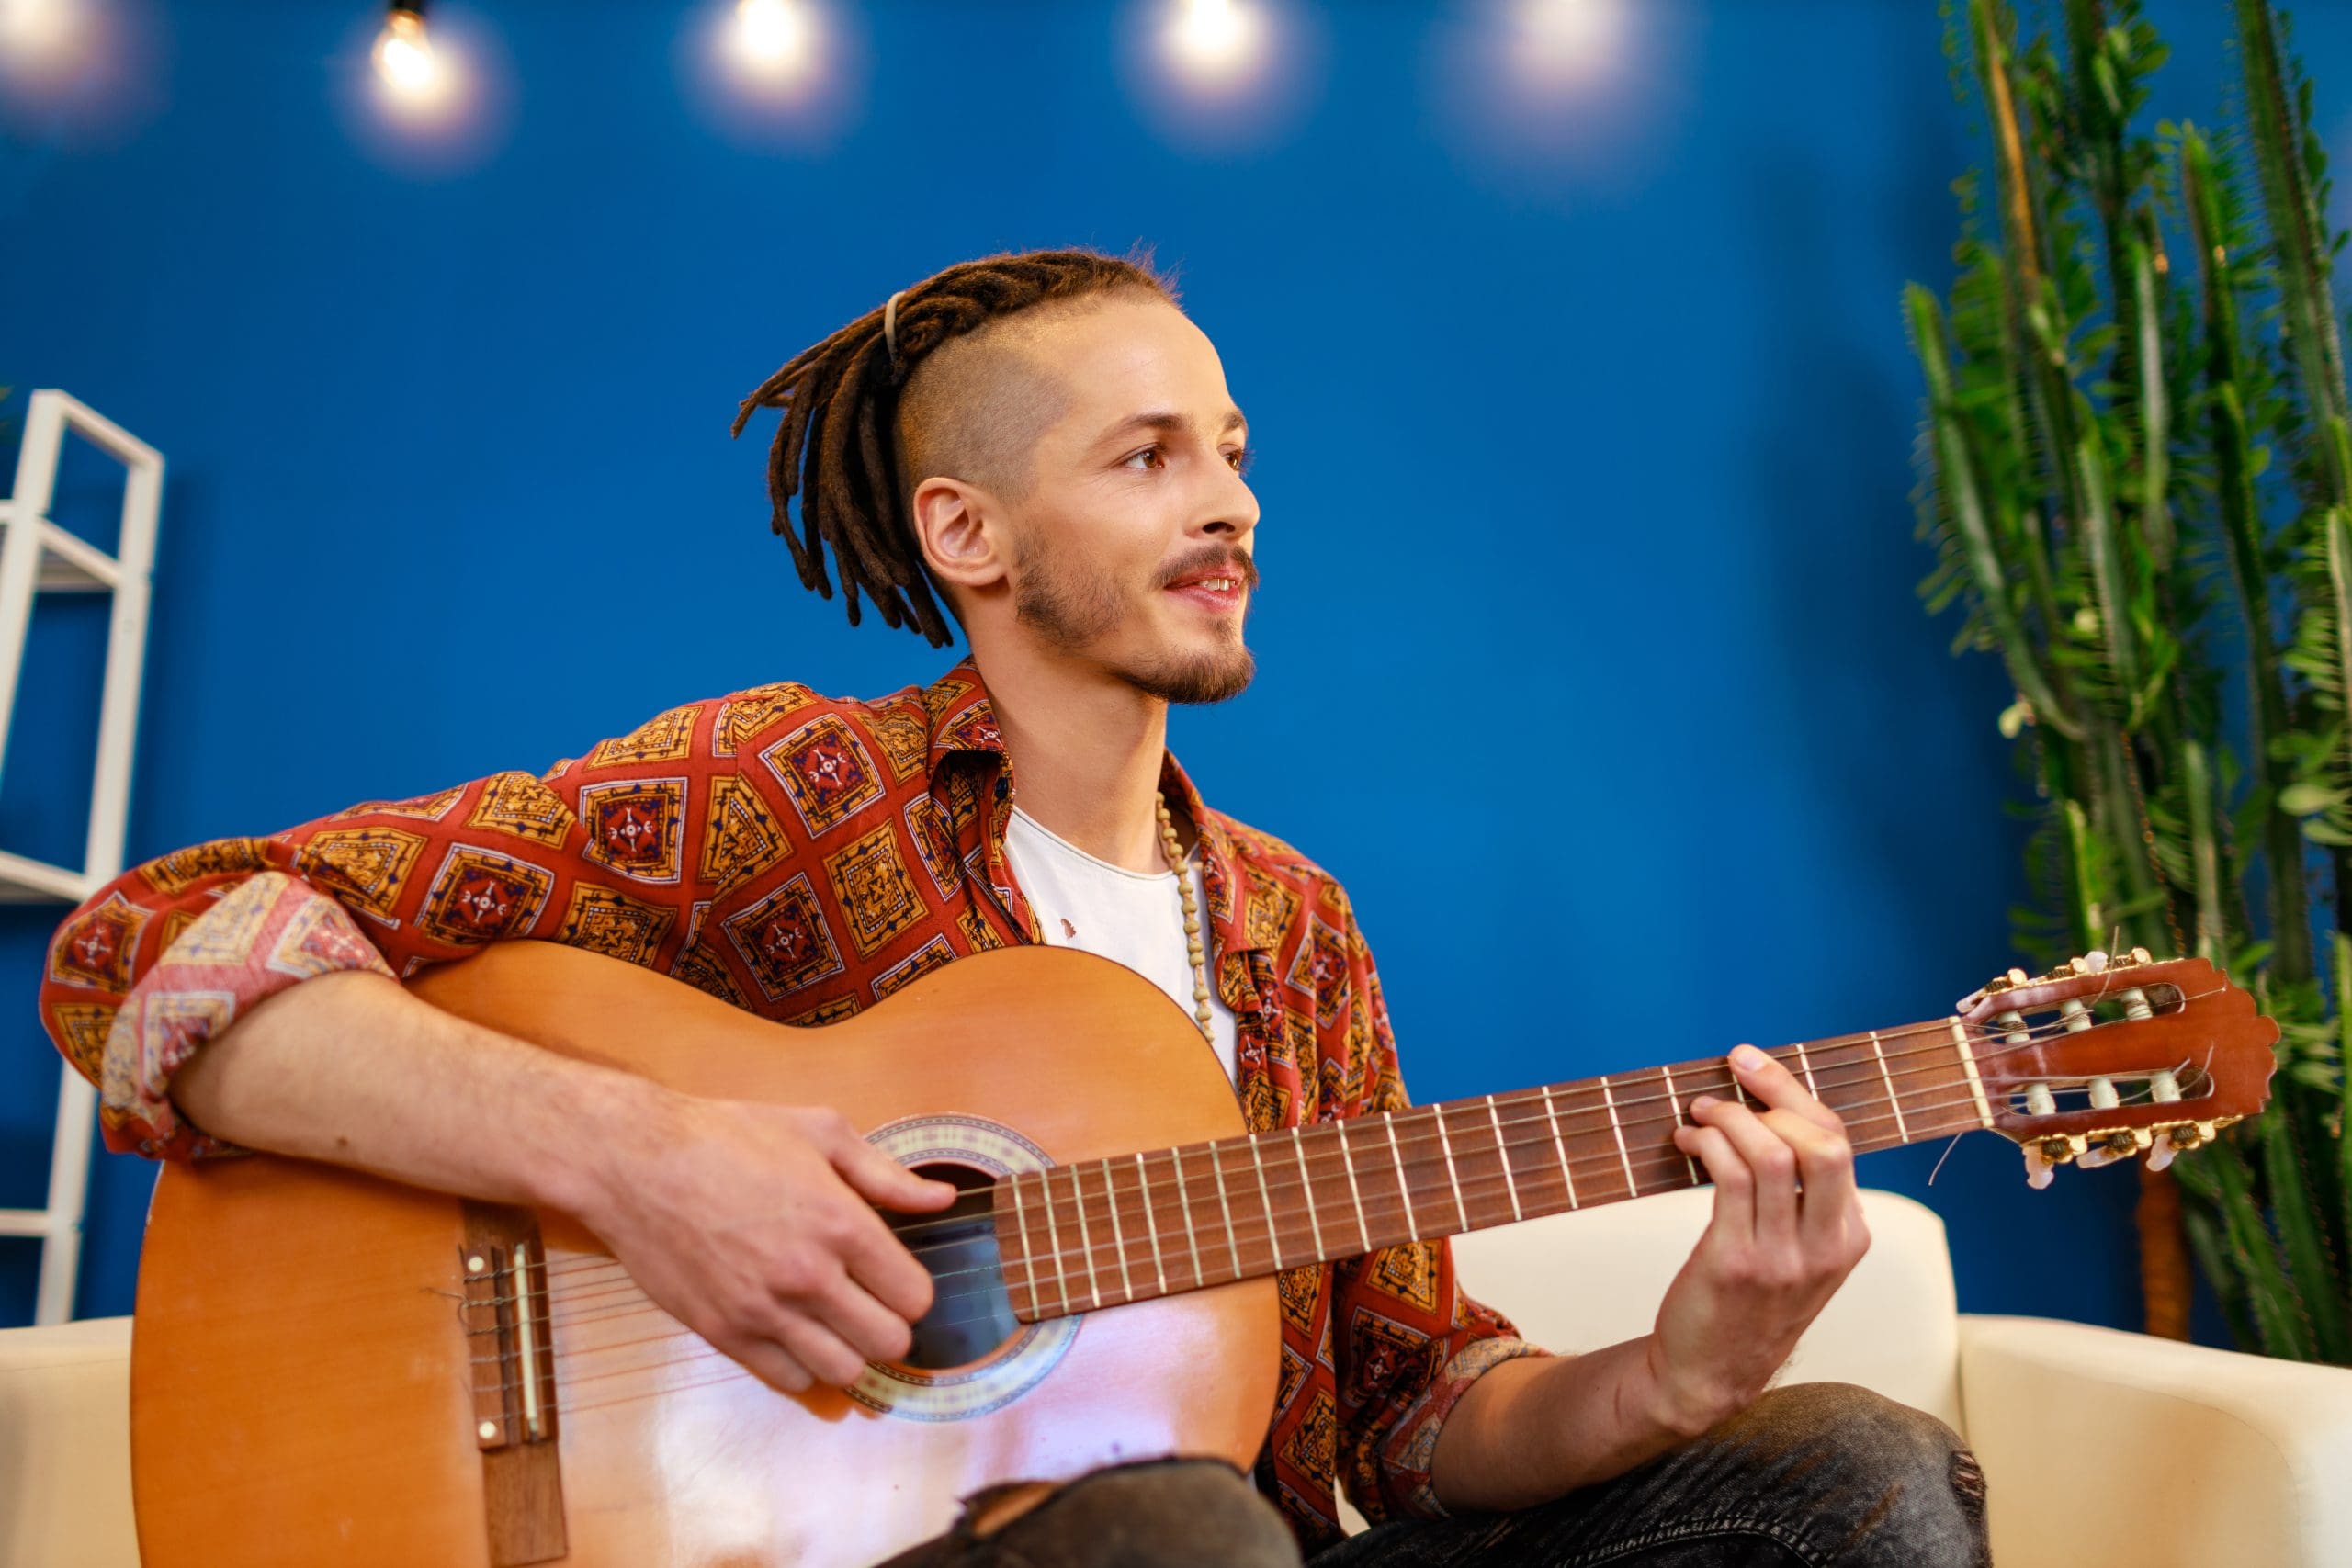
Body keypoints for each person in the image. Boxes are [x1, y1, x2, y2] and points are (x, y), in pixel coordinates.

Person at [38, 246, 1987, 1566]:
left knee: (1855, 1477)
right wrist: (645, 1162)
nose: (1230, 502)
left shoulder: (1289, 930)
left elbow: (1407, 1417)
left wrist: (1677, 1371)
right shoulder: (780, 793)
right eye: (1147, 456)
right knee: (1173, 1531)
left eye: (1232, 452)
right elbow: (146, 953)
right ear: (963, 531)